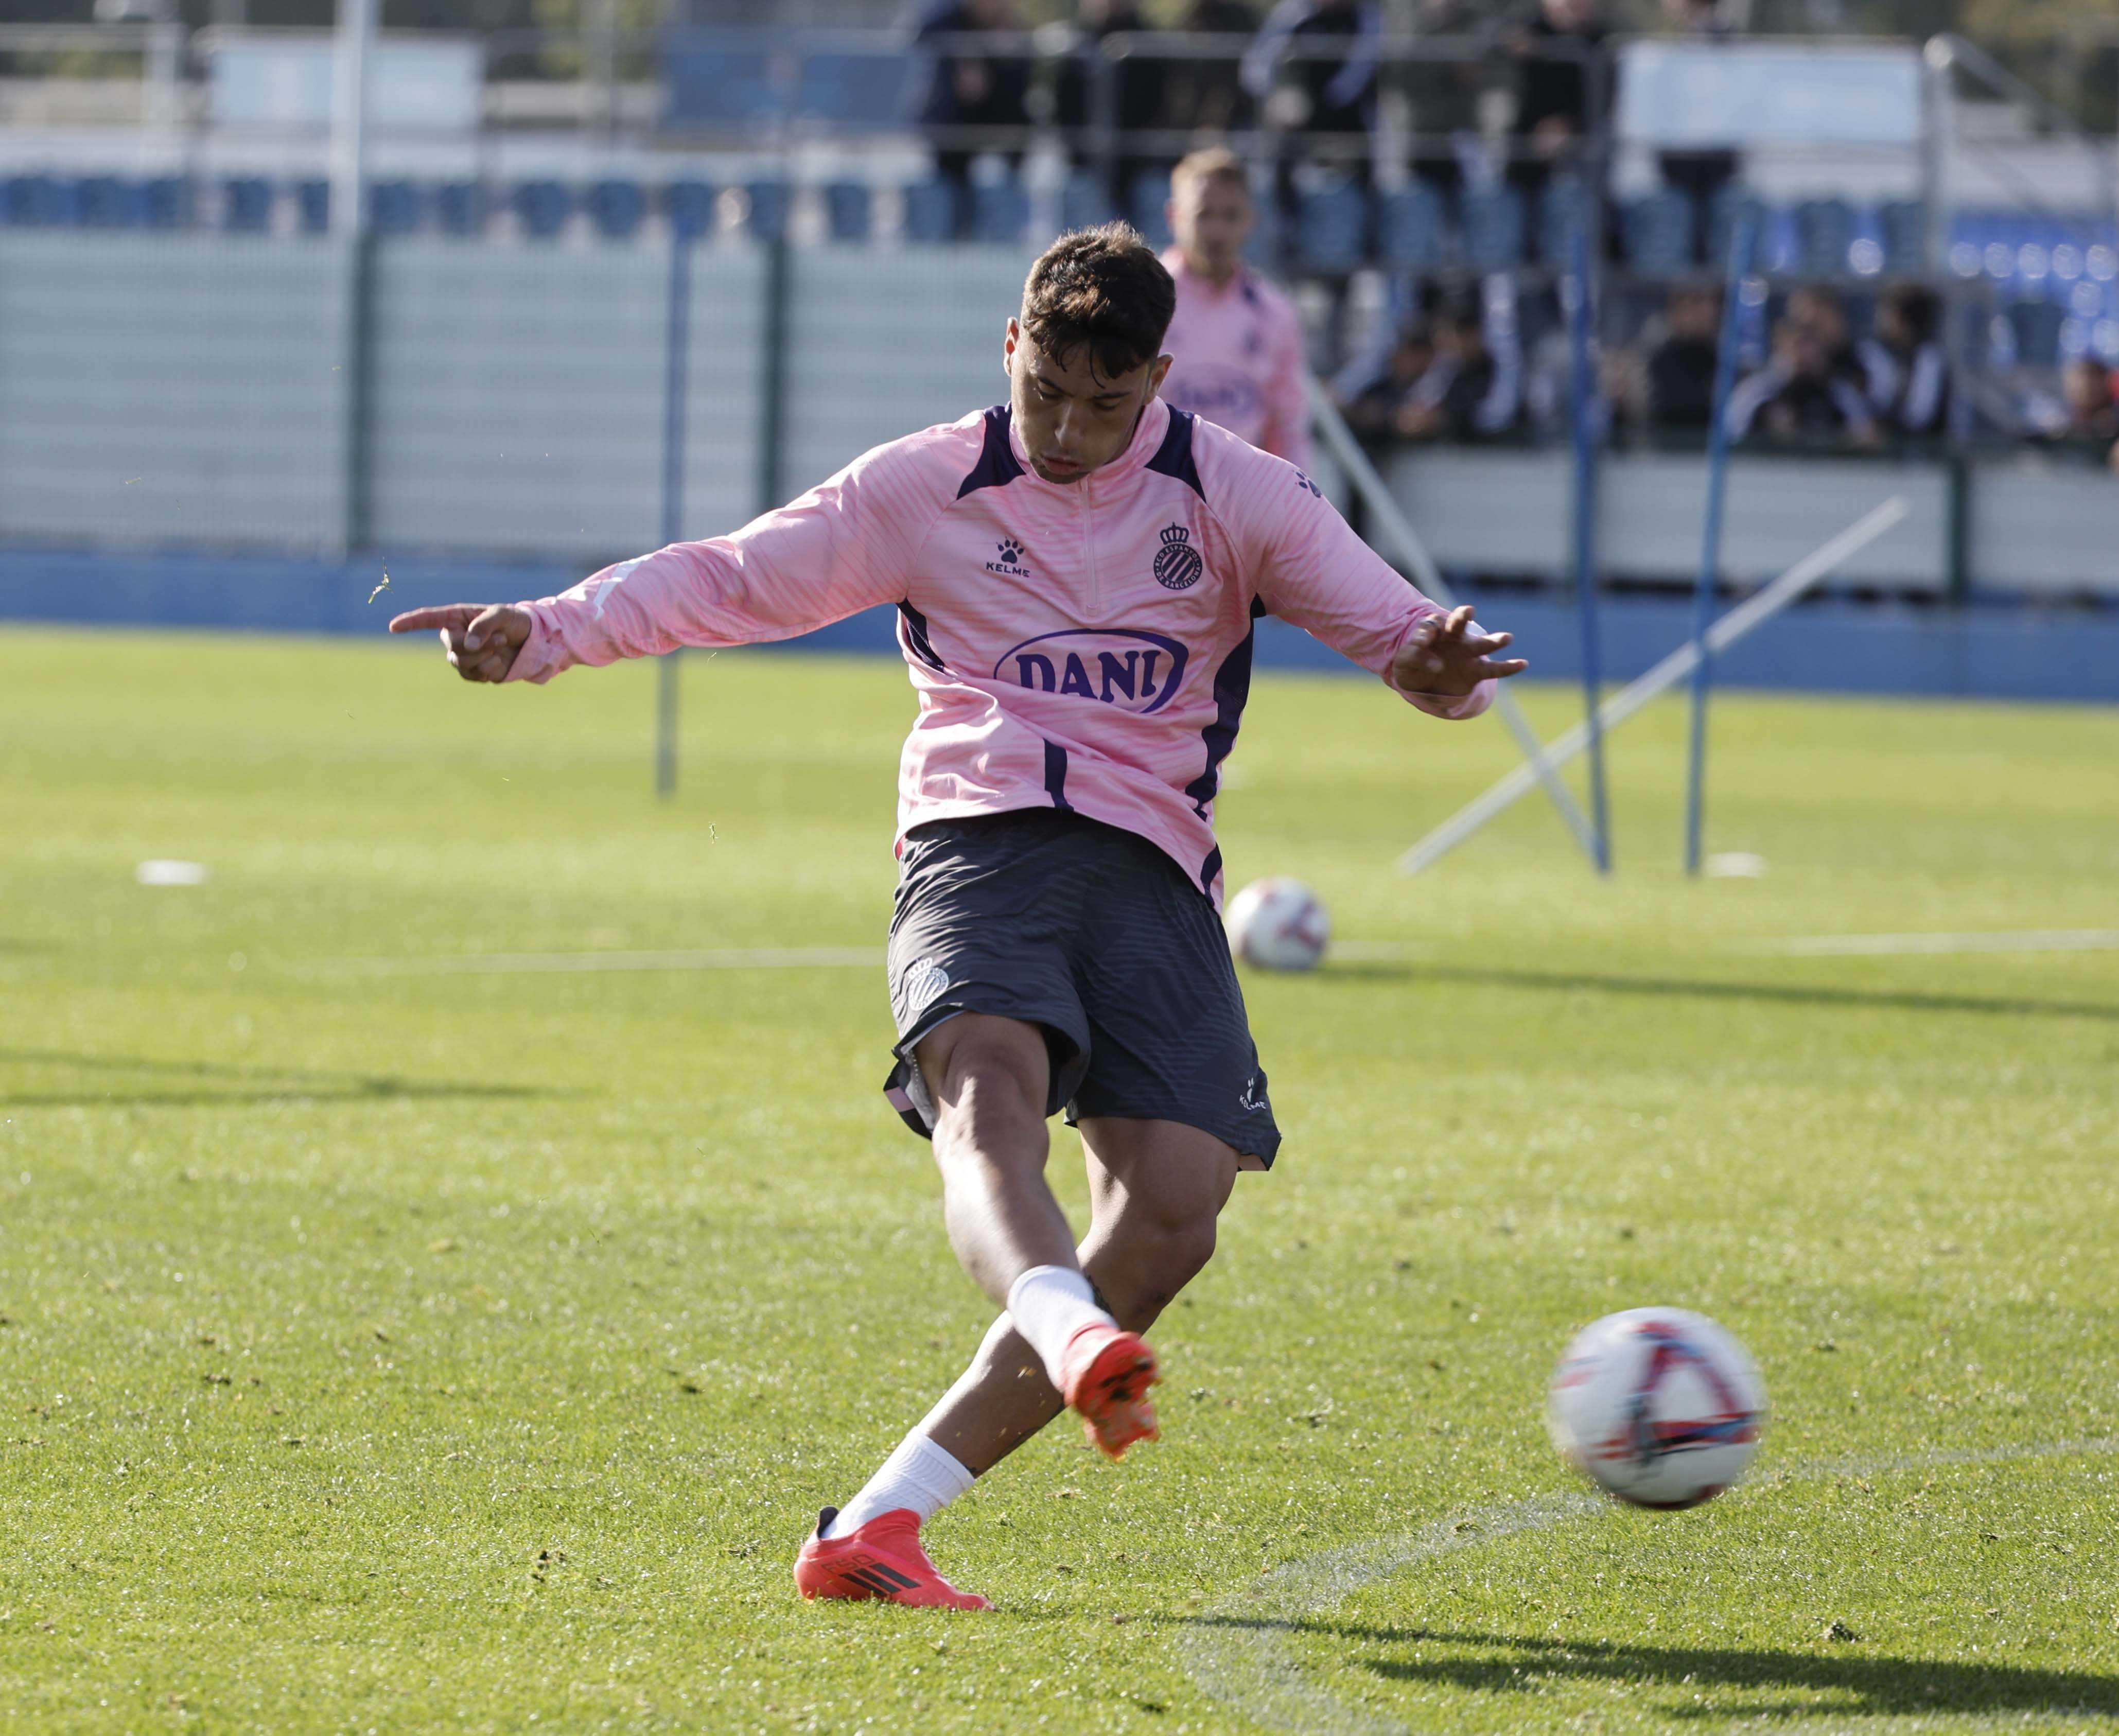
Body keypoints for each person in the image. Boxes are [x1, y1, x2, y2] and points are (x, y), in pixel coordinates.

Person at [388, 224, 1525, 1612]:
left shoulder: (1241, 492)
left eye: (1104, 402)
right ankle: (1063, 1323)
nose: (1067, 428)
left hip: (1154, 870)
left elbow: (1404, 634)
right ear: (1009, 347)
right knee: (988, 1093)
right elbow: (737, 575)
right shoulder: (923, 484)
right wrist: (550, 629)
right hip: (977, 840)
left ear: (1157, 383)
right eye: (1045, 389)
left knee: (1174, 1212)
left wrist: (1440, 670)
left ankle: (881, 1519)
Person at [1158, 147, 1312, 466]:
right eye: (1204, 215)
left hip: (1238, 491)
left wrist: (1293, 492)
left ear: (1250, 220)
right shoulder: (1143, 300)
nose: (1217, 231)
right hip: (1155, 488)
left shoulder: (1273, 313)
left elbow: (1289, 426)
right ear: (1174, 217)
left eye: (1230, 216)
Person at [915, 0, 1032, 237]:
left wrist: (1004, 58)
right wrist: (963, 58)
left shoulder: (1012, 29)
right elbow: (922, 38)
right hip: (953, 142)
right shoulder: (947, 22)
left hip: (999, 143)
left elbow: (1020, 94)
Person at [1054, 0, 1169, 217]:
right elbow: (1062, 107)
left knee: (1156, 192)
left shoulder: (1151, 42)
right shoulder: (1075, 42)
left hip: (1139, 165)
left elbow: (1161, 106)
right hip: (1085, 164)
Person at [1724, 315, 1878, 447]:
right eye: (1798, 344)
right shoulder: (1756, 389)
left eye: (1811, 344)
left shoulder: (1837, 390)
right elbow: (1732, 432)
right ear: (1780, 346)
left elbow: (1865, 433)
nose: (1805, 352)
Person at [1858, 283, 1947, 439]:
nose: (1881, 321)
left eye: (1887, 314)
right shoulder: (1875, 353)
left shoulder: (1930, 359)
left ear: (1905, 322)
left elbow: (1919, 416)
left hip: (1919, 444)